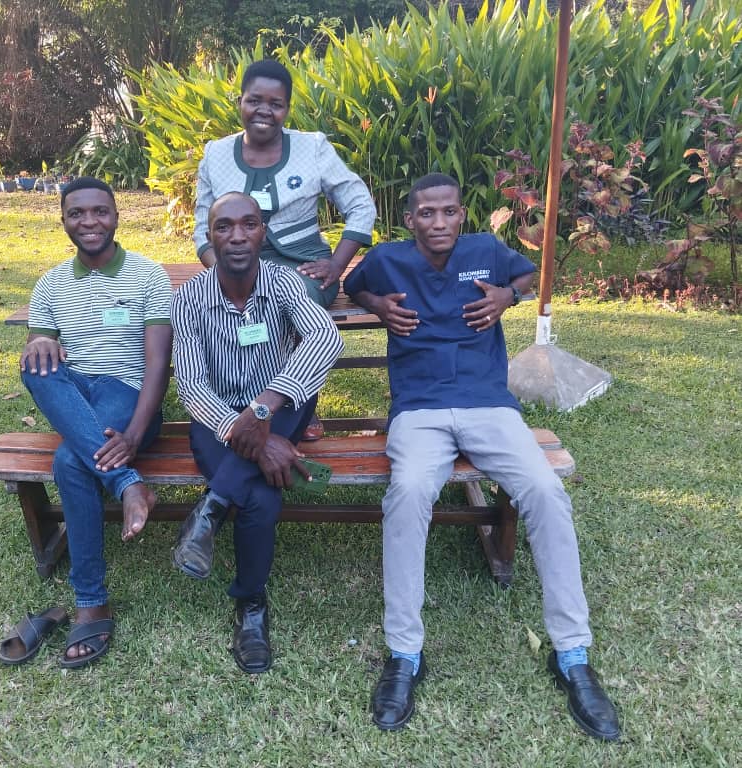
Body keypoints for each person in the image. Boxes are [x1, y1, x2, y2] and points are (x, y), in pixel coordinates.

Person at [343, 173, 621, 740]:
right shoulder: (390, 259)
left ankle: (572, 654)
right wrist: (378, 306)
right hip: (419, 408)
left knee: (546, 492)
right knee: (409, 492)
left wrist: (506, 296)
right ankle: (404, 653)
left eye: (448, 212)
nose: (438, 223)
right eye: (426, 214)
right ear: (411, 219)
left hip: (490, 405)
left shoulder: (484, 251)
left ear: (462, 213)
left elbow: (528, 273)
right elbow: (351, 286)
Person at [0, 176, 172, 670]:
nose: (89, 222)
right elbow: (42, 346)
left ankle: (91, 600)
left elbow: (158, 363)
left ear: (116, 216)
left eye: (100, 212)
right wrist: (38, 343)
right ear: (64, 221)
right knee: (35, 364)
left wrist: (137, 433)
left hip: (128, 396)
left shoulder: (146, 275)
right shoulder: (51, 282)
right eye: (78, 213)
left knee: (70, 463)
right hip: (74, 392)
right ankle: (127, 484)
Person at [171, 192, 343, 673]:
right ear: (210, 237)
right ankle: (251, 606)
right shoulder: (188, 299)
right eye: (224, 226)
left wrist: (266, 408)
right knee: (263, 497)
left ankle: (212, 507)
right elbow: (191, 386)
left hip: (282, 404)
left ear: (263, 233)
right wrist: (244, 429)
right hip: (217, 421)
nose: (238, 235)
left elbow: (326, 338)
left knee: (294, 392)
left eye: (249, 224)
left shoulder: (285, 283)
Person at [193, 58, 376, 441]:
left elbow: (360, 203)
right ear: (239, 101)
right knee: (221, 304)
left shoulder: (313, 147)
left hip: (303, 265)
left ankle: (299, 402)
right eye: (254, 100)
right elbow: (201, 225)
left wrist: (336, 264)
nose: (264, 111)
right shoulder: (216, 153)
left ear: (287, 109)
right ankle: (237, 397)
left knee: (286, 302)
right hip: (237, 261)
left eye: (275, 104)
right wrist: (219, 273)